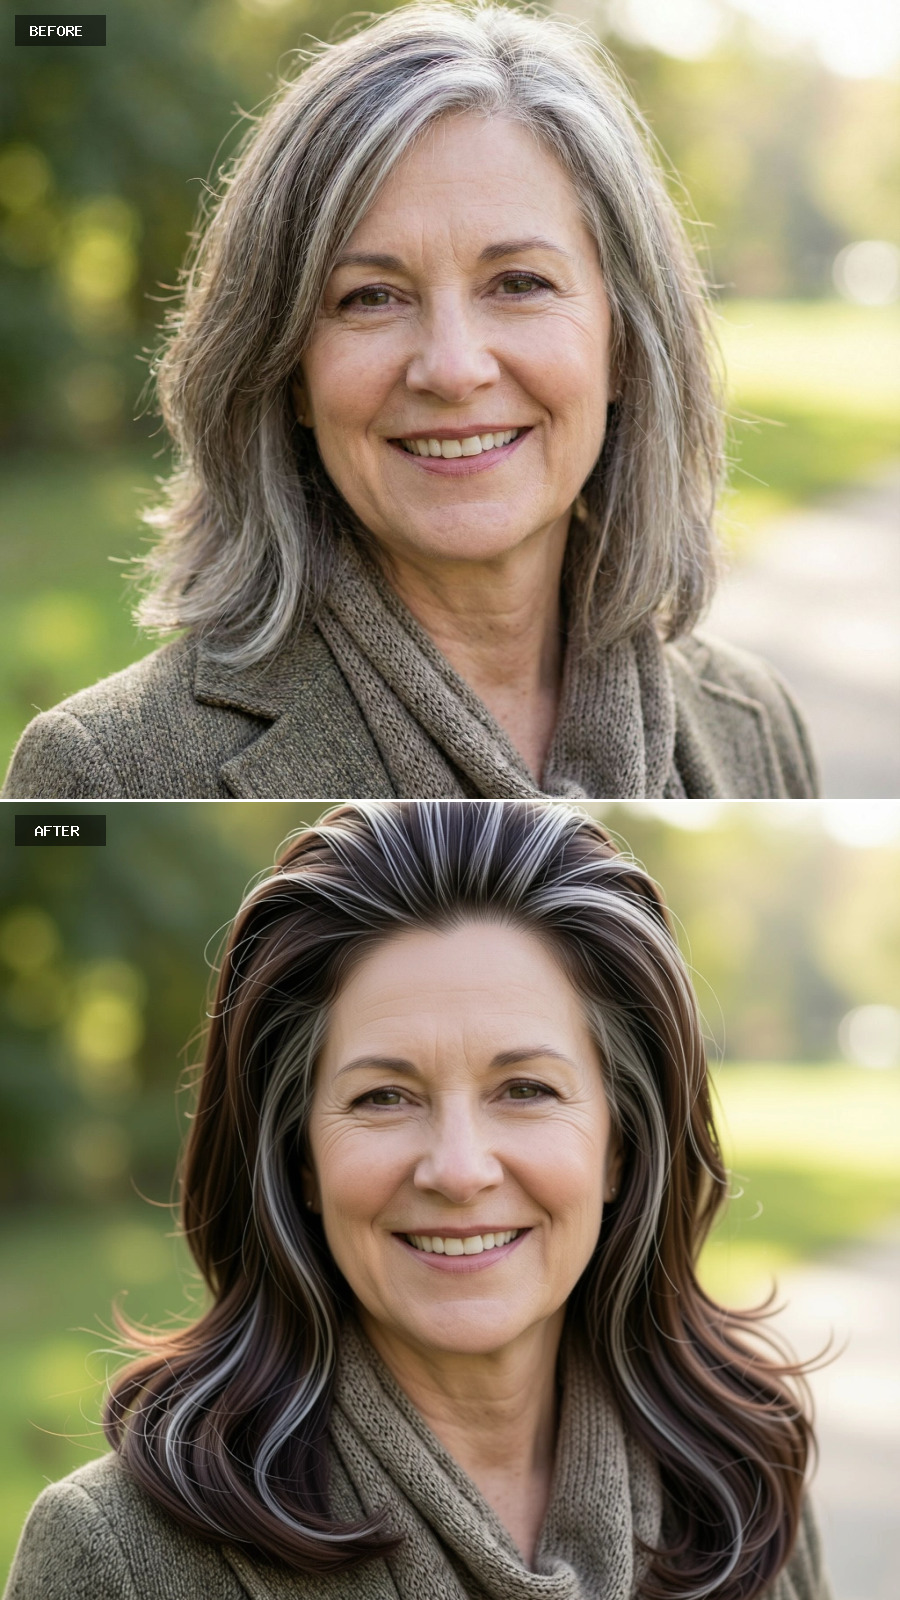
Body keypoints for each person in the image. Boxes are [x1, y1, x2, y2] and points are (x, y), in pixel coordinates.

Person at [5, 800, 832, 1599]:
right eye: (383, 1098)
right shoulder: (116, 1556)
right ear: (301, 1161)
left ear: (620, 1147)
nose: (459, 1169)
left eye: (527, 1089)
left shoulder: (736, 1491)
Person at [3, 4, 817, 802]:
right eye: (371, 298)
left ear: (627, 346)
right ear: (288, 372)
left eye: (520, 283)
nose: (453, 368)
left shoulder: (754, 721)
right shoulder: (105, 771)